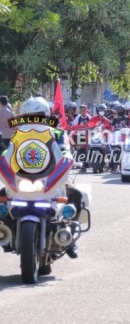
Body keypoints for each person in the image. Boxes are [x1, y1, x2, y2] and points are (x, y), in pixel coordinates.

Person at [2, 96, 82, 259]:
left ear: (45, 114)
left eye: (36, 114)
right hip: (22, 179)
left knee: (75, 194)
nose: (32, 118)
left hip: (51, 178)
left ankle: (70, 239)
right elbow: (8, 152)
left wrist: (67, 160)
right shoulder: (18, 135)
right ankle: (5, 231)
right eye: (28, 115)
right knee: (2, 197)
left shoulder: (57, 133)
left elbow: (65, 150)